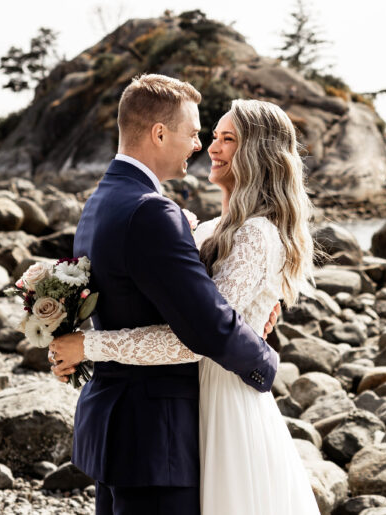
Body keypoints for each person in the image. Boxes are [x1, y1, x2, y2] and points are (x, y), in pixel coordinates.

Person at [52, 97, 321, 515]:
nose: (209, 147)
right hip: (182, 410)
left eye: (227, 139)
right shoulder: (208, 227)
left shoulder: (256, 234)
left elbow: (205, 333)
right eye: (209, 136)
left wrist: (87, 346)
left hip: (224, 400)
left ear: (259, 154)